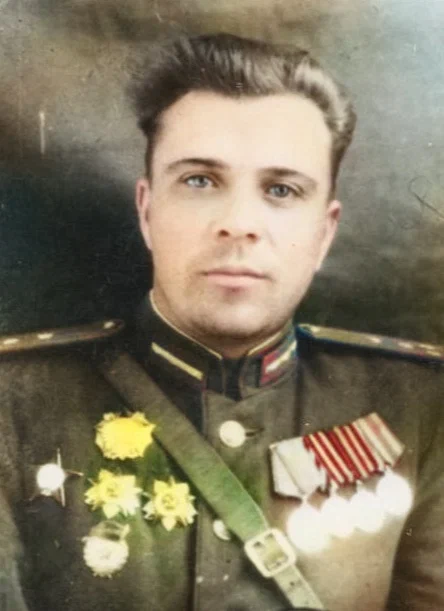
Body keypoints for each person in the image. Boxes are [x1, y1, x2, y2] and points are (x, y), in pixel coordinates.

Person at [0, 32, 443, 611]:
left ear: (324, 232)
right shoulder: (14, 403)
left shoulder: (422, 407)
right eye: (200, 181)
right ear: (147, 210)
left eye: (281, 189)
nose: (239, 223)